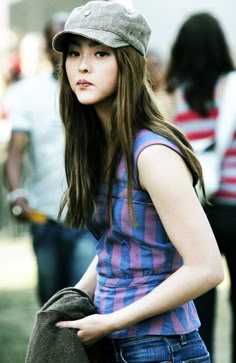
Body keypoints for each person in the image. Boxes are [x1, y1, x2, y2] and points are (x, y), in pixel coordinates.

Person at [52, 2, 223, 362]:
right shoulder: (99, 147)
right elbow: (116, 249)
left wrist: (112, 321)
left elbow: (206, 268)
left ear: (127, 64)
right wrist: (69, 303)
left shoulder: (152, 154)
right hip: (114, 341)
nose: (82, 65)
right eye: (74, 53)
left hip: (162, 348)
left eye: (100, 53)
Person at [4, 12, 96, 305]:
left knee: (83, 302)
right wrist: (17, 194)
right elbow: (15, 152)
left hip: (89, 216)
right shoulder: (26, 93)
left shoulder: (95, 89)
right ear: (48, 46)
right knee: (51, 301)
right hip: (45, 213)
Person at [165, 12, 236, 363]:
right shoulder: (234, 87)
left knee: (197, 304)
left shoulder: (173, 96)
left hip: (195, 211)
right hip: (235, 208)